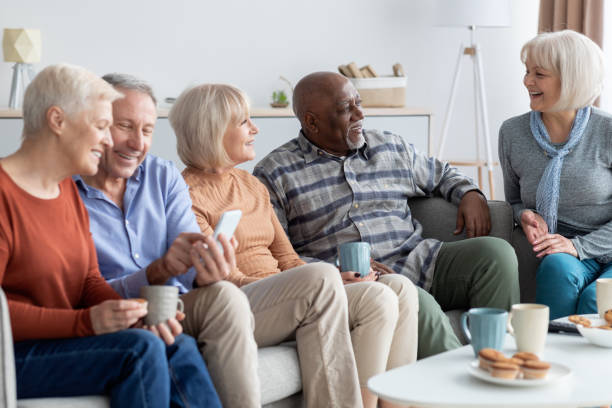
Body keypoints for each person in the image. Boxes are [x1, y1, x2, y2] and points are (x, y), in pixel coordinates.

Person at [76, 73, 361, 408]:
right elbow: (83, 289)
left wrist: (204, 270)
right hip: (118, 308)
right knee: (236, 293)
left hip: (180, 304)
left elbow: (193, 267)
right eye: (125, 126)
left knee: (223, 290)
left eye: (148, 130)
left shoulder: (162, 177)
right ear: (95, 124)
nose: (138, 143)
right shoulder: (67, 194)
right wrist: (158, 273)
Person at [173, 83, 417, 408]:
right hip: (241, 303)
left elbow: (287, 259)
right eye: (244, 122)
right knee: (321, 277)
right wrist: (310, 283)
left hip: (290, 296)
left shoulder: (251, 185)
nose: (255, 128)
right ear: (213, 130)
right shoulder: (186, 195)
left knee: (397, 289)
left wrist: (334, 282)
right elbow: (225, 282)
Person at [253, 72, 520, 358]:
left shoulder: (390, 146)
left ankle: (498, 365)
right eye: (346, 109)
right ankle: (461, 394)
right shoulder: (275, 174)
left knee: (495, 254)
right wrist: (334, 275)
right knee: (417, 303)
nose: (360, 114)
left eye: (359, 102)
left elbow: (442, 173)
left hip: (419, 260)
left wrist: (470, 193)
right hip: (359, 284)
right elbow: (273, 253)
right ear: (311, 121)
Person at [0, 64, 220, 407]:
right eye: (102, 126)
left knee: (174, 342)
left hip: (57, 340)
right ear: (57, 121)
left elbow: (88, 280)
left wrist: (137, 313)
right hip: (10, 352)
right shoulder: (3, 194)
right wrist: (86, 322)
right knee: (140, 347)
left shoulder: (65, 192)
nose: (107, 140)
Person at [499, 30, 612, 320]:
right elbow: (513, 200)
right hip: (561, 251)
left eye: (539, 74)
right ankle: (546, 361)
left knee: (595, 300)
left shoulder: (607, 131)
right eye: (526, 72)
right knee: (556, 268)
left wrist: (578, 246)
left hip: (604, 245)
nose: (527, 81)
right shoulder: (512, 133)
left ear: (572, 78)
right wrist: (523, 214)